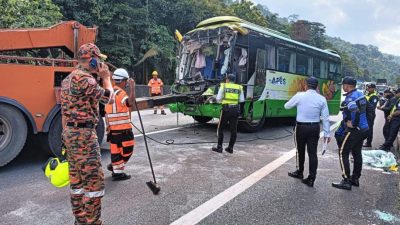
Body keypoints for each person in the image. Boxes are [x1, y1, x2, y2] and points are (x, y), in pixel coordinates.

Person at [61, 43, 113, 225]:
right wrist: (105, 78)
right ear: (91, 59)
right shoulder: (86, 79)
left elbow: (63, 111)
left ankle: (80, 219)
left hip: (69, 132)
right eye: (98, 60)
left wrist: (64, 136)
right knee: (93, 182)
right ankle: (92, 221)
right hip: (84, 134)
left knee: (77, 181)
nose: (99, 63)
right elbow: (109, 98)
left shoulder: (67, 80)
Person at [284, 77, 331, 187]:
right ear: (317, 87)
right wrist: (327, 134)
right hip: (314, 128)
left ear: (306, 85)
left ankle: (300, 171)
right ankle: (311, 178)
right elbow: (326, 118)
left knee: (300, 150)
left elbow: (287, 106)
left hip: (301, 127)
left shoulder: (300, 95)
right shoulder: (322, 99)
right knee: (312, 153)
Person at [332, 77, 369, 191]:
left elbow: (355, 111)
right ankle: (355, 178)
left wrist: (353, 123)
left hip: (355, 130)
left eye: (343, 85)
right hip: (364, 129)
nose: (343, 87)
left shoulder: (351, 98)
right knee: (357, 153)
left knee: (343, 152)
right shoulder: (360, 94)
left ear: (347, 86)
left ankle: (346, 180)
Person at [105, 68, 136, 181]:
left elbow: (106, 113)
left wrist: (107, 127)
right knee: (128, 150)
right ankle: (116, 167)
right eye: (126, 81)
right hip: (123, 130)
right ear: (123, 81)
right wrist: (132, 88)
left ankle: (117, 172)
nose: (127, 83)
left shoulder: (109, 93)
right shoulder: (121, 93)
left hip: (112, 131)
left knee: (116, 151)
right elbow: (130, 102)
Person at [212, 74, 245, 154]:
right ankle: (230, 148)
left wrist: (219, 99)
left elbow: (218, 99)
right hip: (235, 110)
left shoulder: (224, 86)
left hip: (226, 110)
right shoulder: (239, 87)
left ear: (227, 80)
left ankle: (219, 147)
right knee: (233, 130)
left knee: (220, 128)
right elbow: (242, 100)